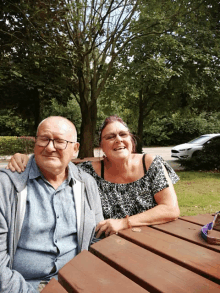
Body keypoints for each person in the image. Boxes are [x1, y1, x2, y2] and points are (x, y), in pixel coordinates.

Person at [7, 115, 180, 239]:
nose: (118, 140)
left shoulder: (150, 163)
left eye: (123, 134)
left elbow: (171, 209)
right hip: (110, 247)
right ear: (102, 146)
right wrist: (27, 159)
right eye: (110, 137)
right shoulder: (88, 172)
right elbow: (57, 159)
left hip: (155, 240)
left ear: (131, 140)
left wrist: (124, 223)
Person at [1, 116, 103, 293]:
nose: (49, 147)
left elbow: (96, 238)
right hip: (22, 286)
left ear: (75, 148)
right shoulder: (7, 184)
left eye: (59, 141)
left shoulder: (87, 184)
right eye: (44, 139)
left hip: (76, 282)